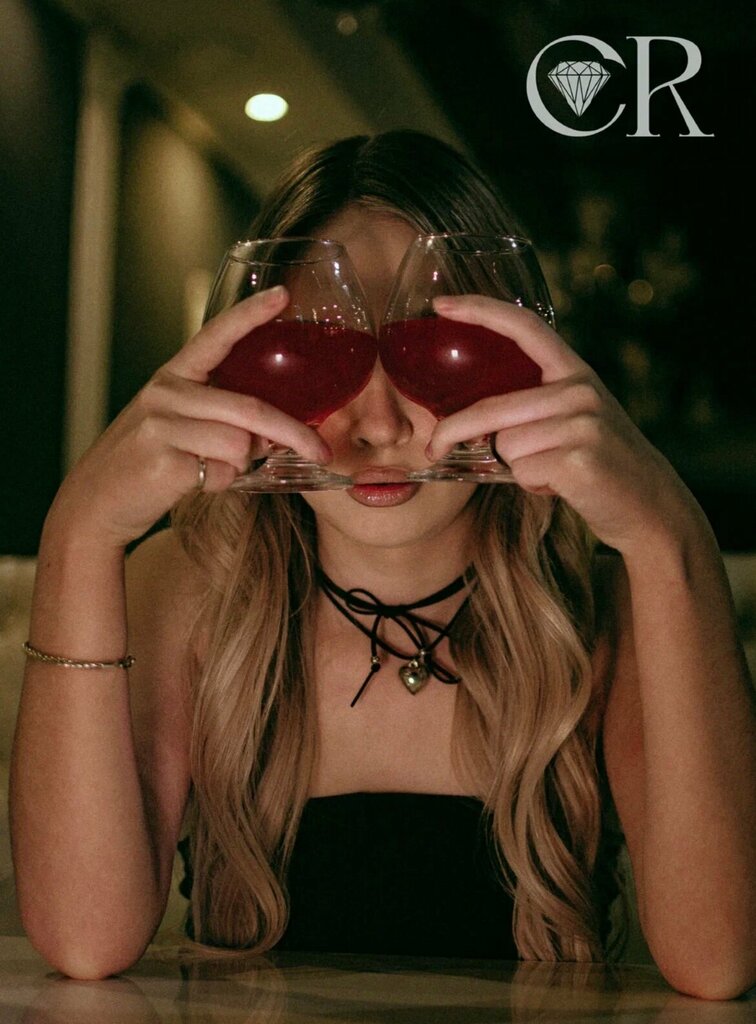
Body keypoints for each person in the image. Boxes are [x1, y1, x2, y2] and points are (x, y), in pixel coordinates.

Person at [10, 131, 756, 998]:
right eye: (323, 349)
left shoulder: (608, 609)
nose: (378, 426)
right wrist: (79, 533)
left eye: (426, 349)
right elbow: (84, 940)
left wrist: (669, 531)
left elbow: (718, 961)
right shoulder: (183, 588)